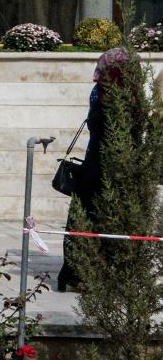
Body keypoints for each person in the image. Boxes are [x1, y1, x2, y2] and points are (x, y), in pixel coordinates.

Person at [58, 47, 127, 292]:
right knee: (96, 221)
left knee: (86, 220)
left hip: (95, 167)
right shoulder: (122, 97)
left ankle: (77, 274)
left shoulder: (98, 93)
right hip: (109, 169)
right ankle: (86, 275)